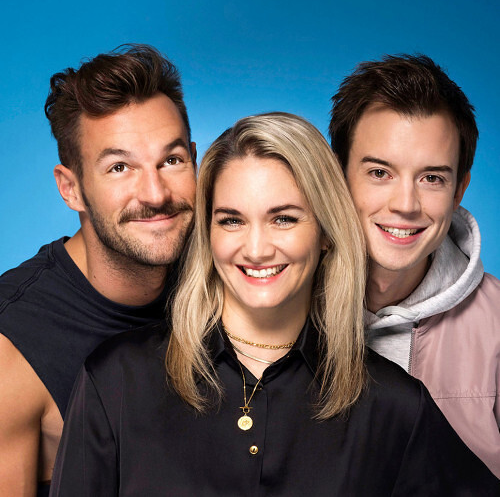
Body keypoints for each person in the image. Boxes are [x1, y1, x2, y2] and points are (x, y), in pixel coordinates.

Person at [51, 112, 498, 495]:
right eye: (231, 221)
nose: (256, 249)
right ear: (209, 233)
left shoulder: (393, 405)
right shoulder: (117, 379)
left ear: (325, 233)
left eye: (283, 219)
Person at [0, 44, 196, 496]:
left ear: (195, 159)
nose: (155, 194)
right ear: (71, 188)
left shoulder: (231, 276)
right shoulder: (11, 347)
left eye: (171, 160)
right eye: (119, 167)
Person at [329, 53, 500, 477]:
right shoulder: (278, 299)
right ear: (337, 175)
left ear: (459, 189)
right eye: (380, 173)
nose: (405, 205)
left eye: (432, 178)